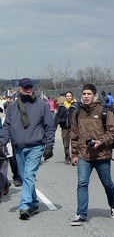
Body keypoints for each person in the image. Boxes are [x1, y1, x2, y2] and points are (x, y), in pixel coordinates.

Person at [0, 78, 55, 220]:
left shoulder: (41, 105)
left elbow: (49, 126)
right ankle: (34, 202)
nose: (29, 89)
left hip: (35, 146)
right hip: (18, 147)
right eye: (25, 87)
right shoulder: (12, 106)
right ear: (19, 89)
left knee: (29, 175)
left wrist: (49, 146)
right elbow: (6, 126)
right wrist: (2, 143)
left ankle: (24, 205)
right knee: (25, 177)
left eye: (30, 87)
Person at [70, 83, 114, 226]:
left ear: (94, 95)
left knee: (107, 183)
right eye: (84, 94)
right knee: (82, 183)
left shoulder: (104, 112)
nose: (86, 96)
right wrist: (74, 154)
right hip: (84, 155)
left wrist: (100, 141)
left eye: (89, 94)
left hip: (101, 154)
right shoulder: (77, 113)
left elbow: (113, 132)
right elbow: (74, 135)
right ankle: (81, 214)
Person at [54, 91, 79, 164]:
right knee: (66, 144)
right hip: (64, 127)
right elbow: (57, 116)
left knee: (74, 144)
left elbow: (79, 117)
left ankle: (75, 158)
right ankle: (67, 158)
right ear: (65, 97)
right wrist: (55, 126)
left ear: (72, 97)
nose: (69, 97)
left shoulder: (75, 106)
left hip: (73, 128)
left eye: (70, 96)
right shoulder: (61, 106)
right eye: (67, 96)